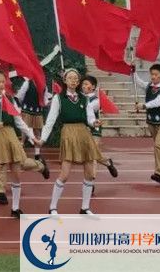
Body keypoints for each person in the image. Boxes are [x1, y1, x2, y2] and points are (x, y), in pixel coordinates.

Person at [0, 70, 48, 220]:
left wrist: (32, 137)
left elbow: (19, 121)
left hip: (10, 136)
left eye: (3, 82)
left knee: (16, 173)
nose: (2, 84)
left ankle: (15, 208)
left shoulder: (9, 99)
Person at [42, 68, 101, 215]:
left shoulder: (84, 98)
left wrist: (94, 123)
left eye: (76, 78)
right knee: (65, 173)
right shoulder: (58, 98)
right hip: (68, 133)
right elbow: (50, 120)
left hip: (83, 133)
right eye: (70, 78)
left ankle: (85, 207)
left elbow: (90, 117)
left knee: (89, 172)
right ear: (65, 80)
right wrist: (42, 138)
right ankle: (53, 207)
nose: (74, 81)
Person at [135, 63, 160, 184]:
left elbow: (157, 102)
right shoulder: (148, 86)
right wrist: (133, 72)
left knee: (158, 145)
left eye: (156, 74)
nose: (153, 77)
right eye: (152, 74)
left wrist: (144, 105)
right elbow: (138, 82)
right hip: (151, 121)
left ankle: (158, 173)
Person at [80, 75, 118, 180]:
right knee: (89, 154)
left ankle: (91, 179)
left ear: (93, 87)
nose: (84, 86)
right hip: (83, 128)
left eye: (86, 84)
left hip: (94, 128)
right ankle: (107, 162)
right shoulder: (80, 97)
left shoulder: (96, 100)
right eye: (83, 84)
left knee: (92, 155)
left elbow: (89, 108)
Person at [16, 75, 46, 160]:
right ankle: (21, 151)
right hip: (27, 109)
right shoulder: (27, 83)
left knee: (37, 131)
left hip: (38, 110)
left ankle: (37, 154)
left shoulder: (44, 85)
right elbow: (20, 95)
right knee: (25, 131)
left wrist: (48, 102)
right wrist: (24, 105)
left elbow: (45, 98)